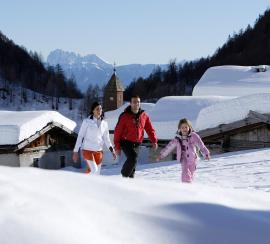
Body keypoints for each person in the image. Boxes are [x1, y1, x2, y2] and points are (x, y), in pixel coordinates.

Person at [114, 95, 158, 178]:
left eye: (138, 102)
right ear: (130, 103)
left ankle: (129, 183)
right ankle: (124, 175)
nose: (136, 103)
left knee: (133, 166)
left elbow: (150, 129)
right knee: (133, 158)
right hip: (126, 142)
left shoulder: (144, 116)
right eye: (134, 102)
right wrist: (117, 147)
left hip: (137, 143)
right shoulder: (124, 116)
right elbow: (117, 131)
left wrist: (154, 140)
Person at [156, 118, 210, 183]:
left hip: (192, 158)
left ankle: (190, 187)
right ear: (179, 129)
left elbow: (200, 145)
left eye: (186, 127)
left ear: (189, 127)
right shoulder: (177, 139)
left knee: (191, 174)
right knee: (185, 172)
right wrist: (161, 155)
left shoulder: (193, 136)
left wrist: (206, 154)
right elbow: (169, 147)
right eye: (182, 127)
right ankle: (185, 186)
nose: (184, 129)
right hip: (183, 157)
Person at [73, 102, 116, 175]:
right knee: (94, 170)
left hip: (99, 151)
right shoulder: (86, 121)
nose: (99, 111)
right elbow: (80, 136)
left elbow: (106, 139)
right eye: (97, 109)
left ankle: (90, 185)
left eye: (100, 109)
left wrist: (112, 150)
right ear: (93, 111)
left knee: (96, 174)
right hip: (87, 150)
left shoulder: (104, 123)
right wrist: (75, 151)